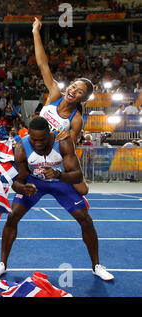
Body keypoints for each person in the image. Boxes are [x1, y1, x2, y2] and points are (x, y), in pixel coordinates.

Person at [0, 116, 114, 282]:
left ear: (49, 134)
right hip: (35, 183)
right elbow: (17, 182)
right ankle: (2, 264)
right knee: (12, 216)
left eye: (42, 139)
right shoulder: (21, 147)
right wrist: (23, 188)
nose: (38, 143)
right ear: (29, 136)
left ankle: (97, 266)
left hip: (60, 181)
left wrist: (58, 174)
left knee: (85, 219)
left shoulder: (62, 142)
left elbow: (77, 176)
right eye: (34, 139)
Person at [32, 17, 91, 196]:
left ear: (83, 99)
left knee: (83, 189)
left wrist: (66, 139)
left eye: (80, 91)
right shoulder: (55, 93)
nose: (74, 91)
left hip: (53, 154)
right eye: (74, 86)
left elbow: (69, 149)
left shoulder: (76, 119)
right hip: (34, 144)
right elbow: (43, 64)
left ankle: (58, 178)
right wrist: (35, 32)